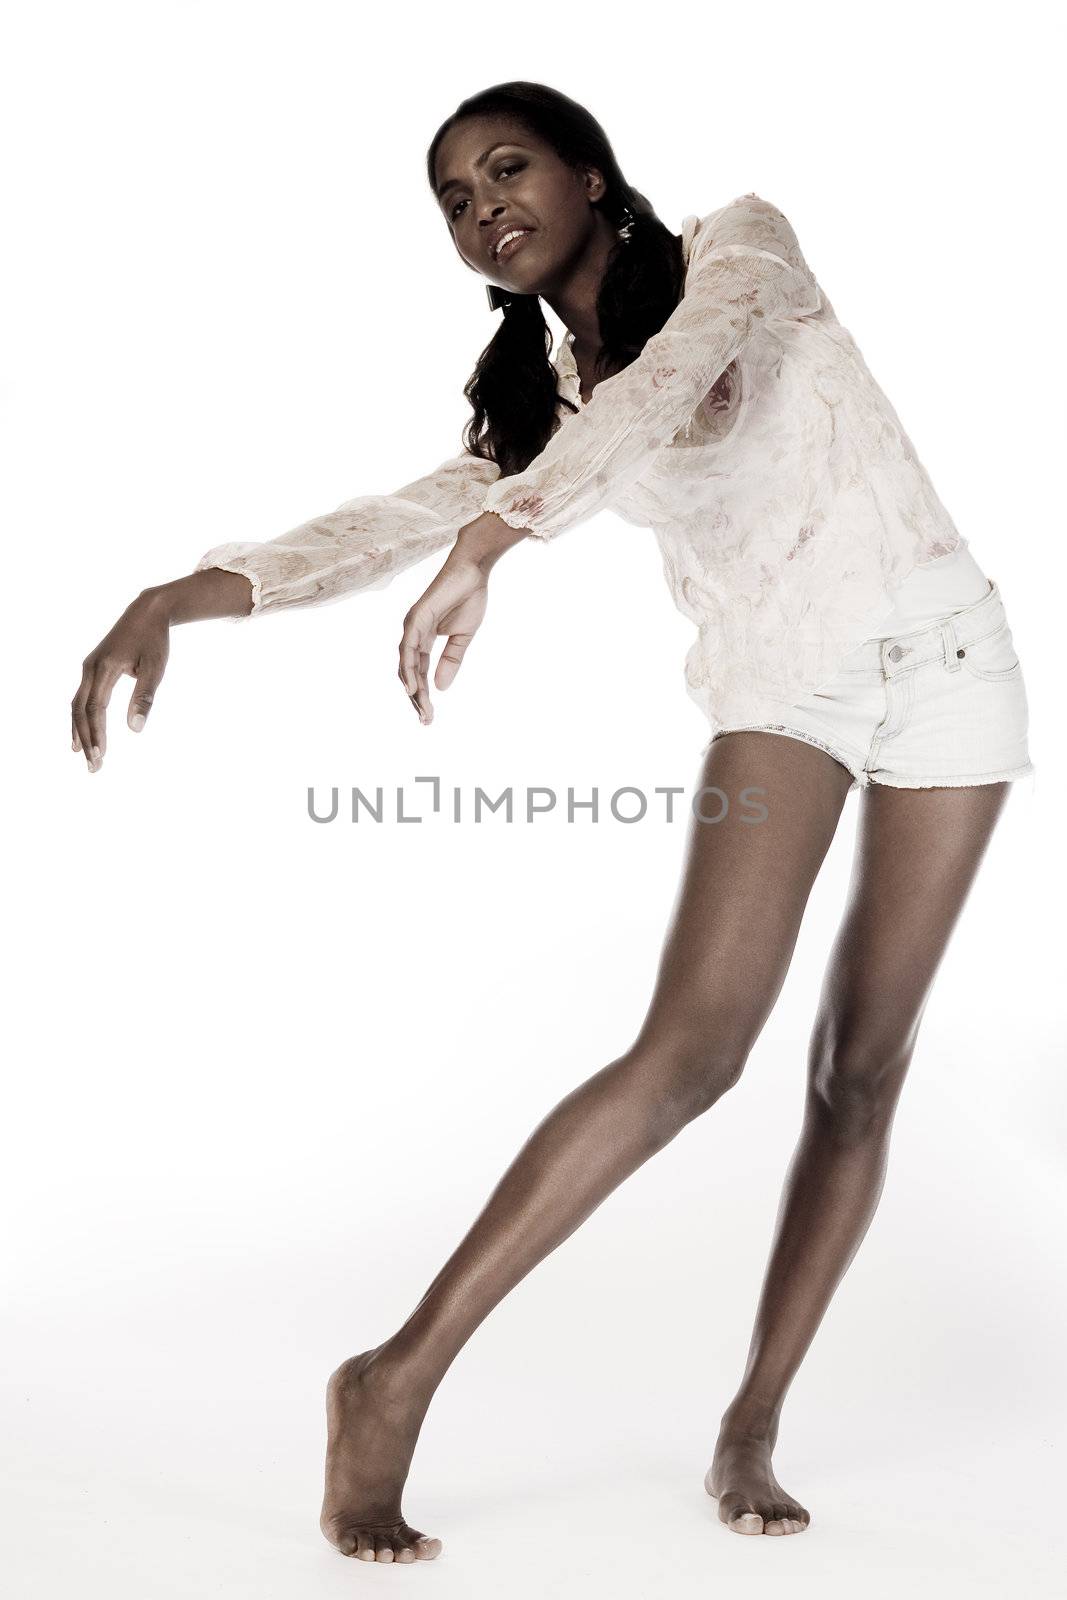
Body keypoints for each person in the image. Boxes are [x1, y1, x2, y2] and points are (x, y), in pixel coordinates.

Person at [71, 81, 1035, 1562]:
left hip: (953, 660)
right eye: (454, 201)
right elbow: (383, 523)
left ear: (591, 172)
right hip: (785, 688)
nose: (482, 209)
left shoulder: (746, 246)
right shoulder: (543, 407)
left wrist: (498, 543)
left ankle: (752, 1421)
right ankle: (390, 1381)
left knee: (862, 1066)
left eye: (505, 169)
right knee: (694, 1051)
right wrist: (181, 597)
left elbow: (670, 382)